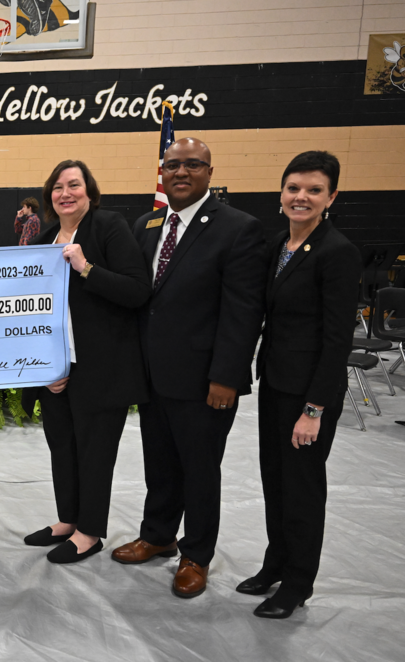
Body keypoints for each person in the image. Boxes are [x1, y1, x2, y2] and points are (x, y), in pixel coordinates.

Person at [112, 138, 267, 598]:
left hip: (205, 381)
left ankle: (196, 554)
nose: (181, 172)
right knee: (159, 464)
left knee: (200, 470)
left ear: (210, 172)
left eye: (193, 165)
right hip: (153, 375)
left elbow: (244, 311)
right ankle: (158, 534)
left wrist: (227, 376)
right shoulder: (147, 223)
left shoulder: (239, 228)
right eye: (173, 165)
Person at [238, 152, 360, 619]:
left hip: (308, 394)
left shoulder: (336, 252)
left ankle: (298, 584)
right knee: (276, 481)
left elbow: (336, 339)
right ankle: (275, 564)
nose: (301, 197)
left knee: (303, 490)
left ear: (331, 197)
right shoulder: (279, 247)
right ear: (281, 193)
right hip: (276, 384)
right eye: (293, 188)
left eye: (313, 190)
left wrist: (314, 409)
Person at [20, 161, 150, 564]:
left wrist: (86, 268)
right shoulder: (43, 240)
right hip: (59, 368)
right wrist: (45, 367)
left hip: (101, 367)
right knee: (62, 445)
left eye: (74, 185)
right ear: (49, 198)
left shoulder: (108, 227)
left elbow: (137, 290)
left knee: (94, 452)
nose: (65, 193)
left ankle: (90, 532)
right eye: (57, 187)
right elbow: (33, 310)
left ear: (89, 193)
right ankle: (69, 520)